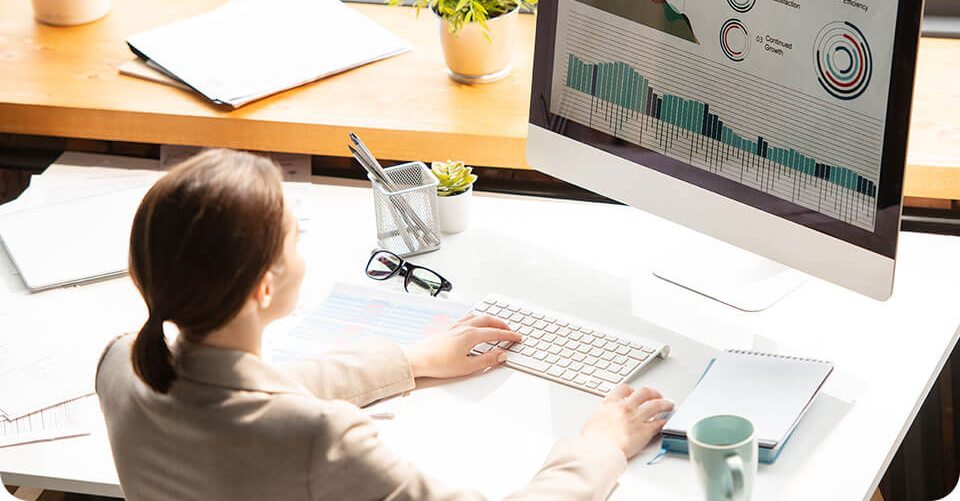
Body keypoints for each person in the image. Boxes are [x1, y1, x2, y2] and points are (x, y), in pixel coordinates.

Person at [96, 148, 674, 501]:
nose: (303, 246)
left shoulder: (121, 366)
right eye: (295, 237)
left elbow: (243, 388)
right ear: (263, 287)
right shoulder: (319, 440)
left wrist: (412, 360)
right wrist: (599, 448)